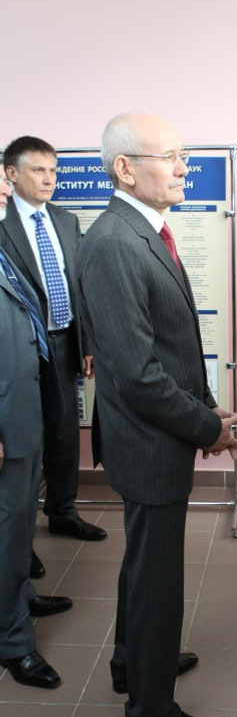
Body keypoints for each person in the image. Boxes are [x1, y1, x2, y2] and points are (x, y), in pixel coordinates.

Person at [77, 113, 237, 717]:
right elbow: (138, 375)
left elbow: (171, 344)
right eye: (170, 157)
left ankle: (134, 661)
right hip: (148, 442)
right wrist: (205, 426)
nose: (183, 168)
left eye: (183, 156)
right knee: (157, 580)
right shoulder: (116, 243)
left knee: (146, 565)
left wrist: (205, 409)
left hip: (156, 434)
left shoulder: (143, 231)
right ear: (125, 168)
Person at [0, 136, 106, 580]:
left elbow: (78, 286)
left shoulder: (65, 220)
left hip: (63, 343)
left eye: (53, 171)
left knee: (64, 434)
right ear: (11, 174)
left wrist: (86, 343)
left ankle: (62, 512)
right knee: (27, 442)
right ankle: (19, 542)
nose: (49, 179)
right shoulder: (2, 222)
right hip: (20, 348)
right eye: (38, 170)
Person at [0, 164, 73, 690]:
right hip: (5, 422)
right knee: (7, 529)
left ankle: (19, 595)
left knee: (21, 521)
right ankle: (13, 642)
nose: (5, 193)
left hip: (22, 410)